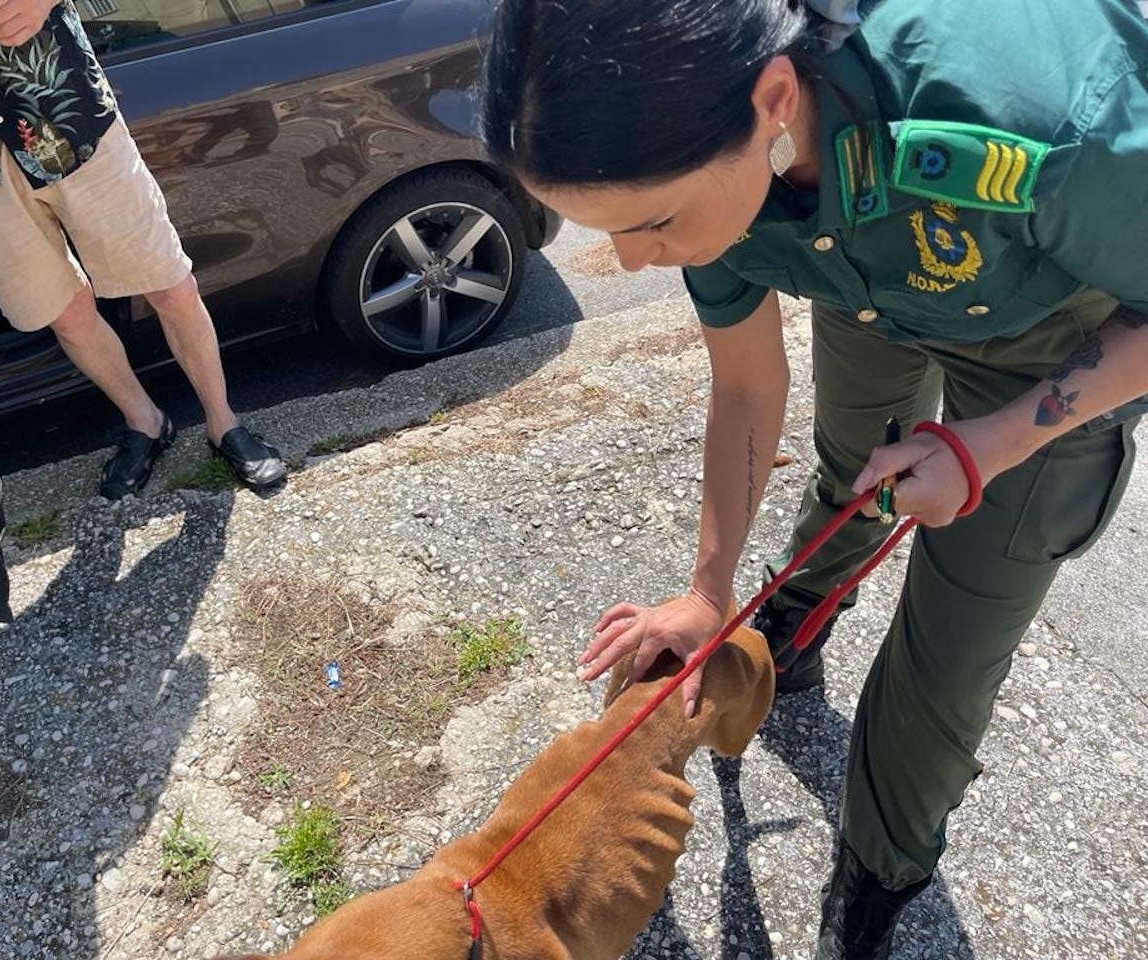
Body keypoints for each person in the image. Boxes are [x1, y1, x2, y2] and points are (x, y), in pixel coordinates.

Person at [482, 0, 1148, 956]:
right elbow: (747, 390)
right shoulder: (708, 145)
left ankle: (879, 872)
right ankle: (793, 618)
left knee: (947, 659)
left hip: (1054, 339)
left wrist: (991, 443)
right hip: (868, 287)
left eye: (655, 221)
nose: (633, 261)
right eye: (606, 233)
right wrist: (708, 592)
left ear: (775, 98)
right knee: (851, 475)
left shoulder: (1047, 120)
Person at [0, 0, 289, 497]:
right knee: (64, 312)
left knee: (170, 284)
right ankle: (145, 421)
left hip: (69, 116)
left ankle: (224, 423)